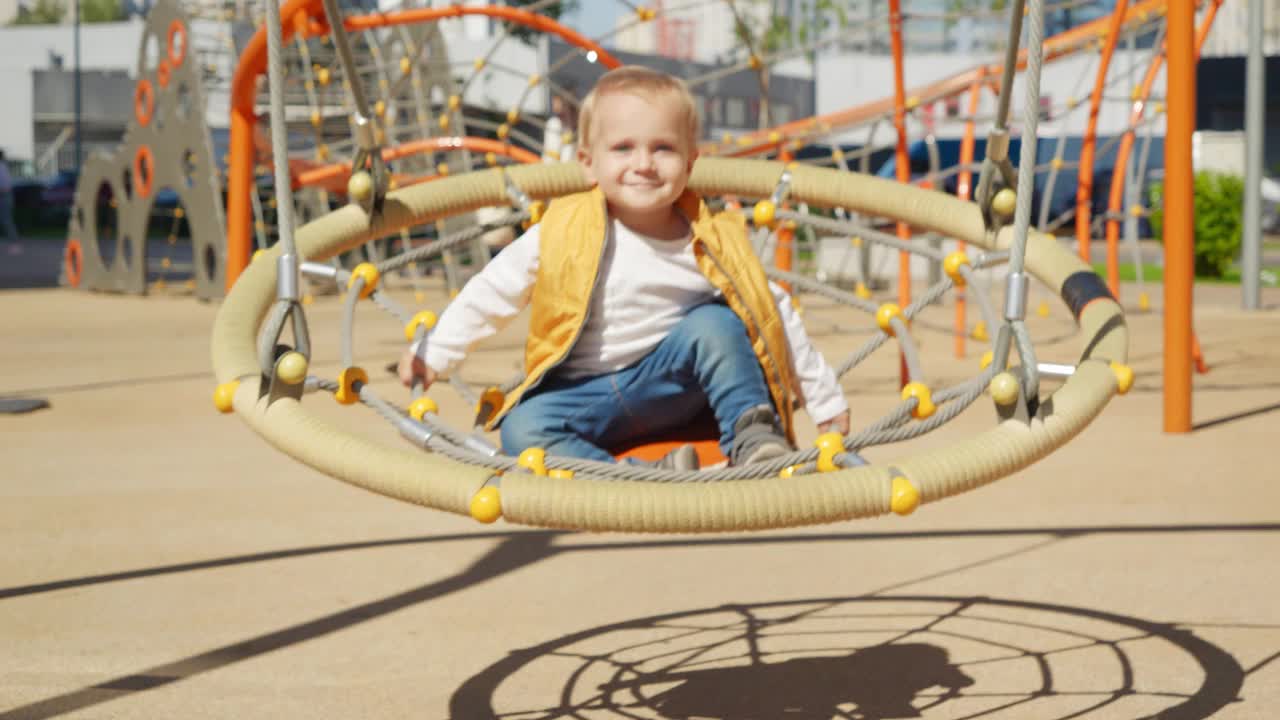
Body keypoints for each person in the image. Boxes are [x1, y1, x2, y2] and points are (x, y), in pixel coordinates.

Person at [398, 66, 849, 469]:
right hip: (587, 396)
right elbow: (493, 291)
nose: (643, 165)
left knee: (716, 325)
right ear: (588, 164)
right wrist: (435, 351)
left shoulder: (711, 239)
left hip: (674, 390)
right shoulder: (565, 229)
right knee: (523, 427)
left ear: (691, 163)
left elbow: (772, 310)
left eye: (663, 148)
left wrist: (824, 399)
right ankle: (638, 476)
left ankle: (754, 437)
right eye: (623, 148)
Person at [0, 149, 19, 244]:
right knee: (6, 218)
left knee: (6, 218)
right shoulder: (4, 166)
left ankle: (13, 239)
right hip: (6, 195)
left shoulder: (1, 167)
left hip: (4, 195)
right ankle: (12, 238)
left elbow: (5, 185)